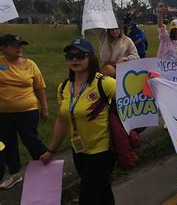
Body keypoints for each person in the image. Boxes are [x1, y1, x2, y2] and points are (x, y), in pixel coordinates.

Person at [40, 38, 116, 205]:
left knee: (88, 195)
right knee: (102, 192)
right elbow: (62, 120)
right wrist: (51, 150)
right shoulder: (64, 87)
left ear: (91, 58)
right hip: (79, 151)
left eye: (80, 55)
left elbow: (131, 101)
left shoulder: (105, 84)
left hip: (102, 151)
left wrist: (145, 82)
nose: (74, 60)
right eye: (70, 56)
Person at [0, 34, 48, 189]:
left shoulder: (30, 64)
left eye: (21, 45)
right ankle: (15, 174)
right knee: (8, 144)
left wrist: (45, 107)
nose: (20, 48)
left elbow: (39, 87)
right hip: (3, 113)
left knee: (31, 140)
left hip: (27, 111)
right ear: (3, 48)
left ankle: (48, 169)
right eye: (15, 45)